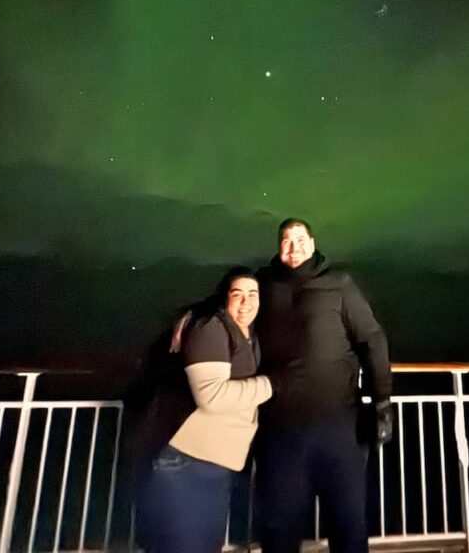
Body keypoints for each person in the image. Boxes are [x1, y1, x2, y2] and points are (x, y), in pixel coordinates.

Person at [255, 218, 393, 553]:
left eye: (300, 239)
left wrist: (382, 402)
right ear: (278, 247)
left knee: (347, 525)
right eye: (286, 240)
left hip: (339, 428)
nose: (294, 247)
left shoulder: (339, 284)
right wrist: (191, 315)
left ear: (313, 244)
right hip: (280, 431)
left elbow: (371, 339)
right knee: (279, 529)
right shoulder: (263, 284)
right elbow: (228, 304)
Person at [138, 267, 273, 553]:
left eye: (253, 294)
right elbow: (211, 396)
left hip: (217, 463)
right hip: (188, 463)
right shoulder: (211, 327)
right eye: (238, 295)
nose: (246, 302)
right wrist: (273, 385)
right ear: (225, 299)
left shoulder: (248, 334)